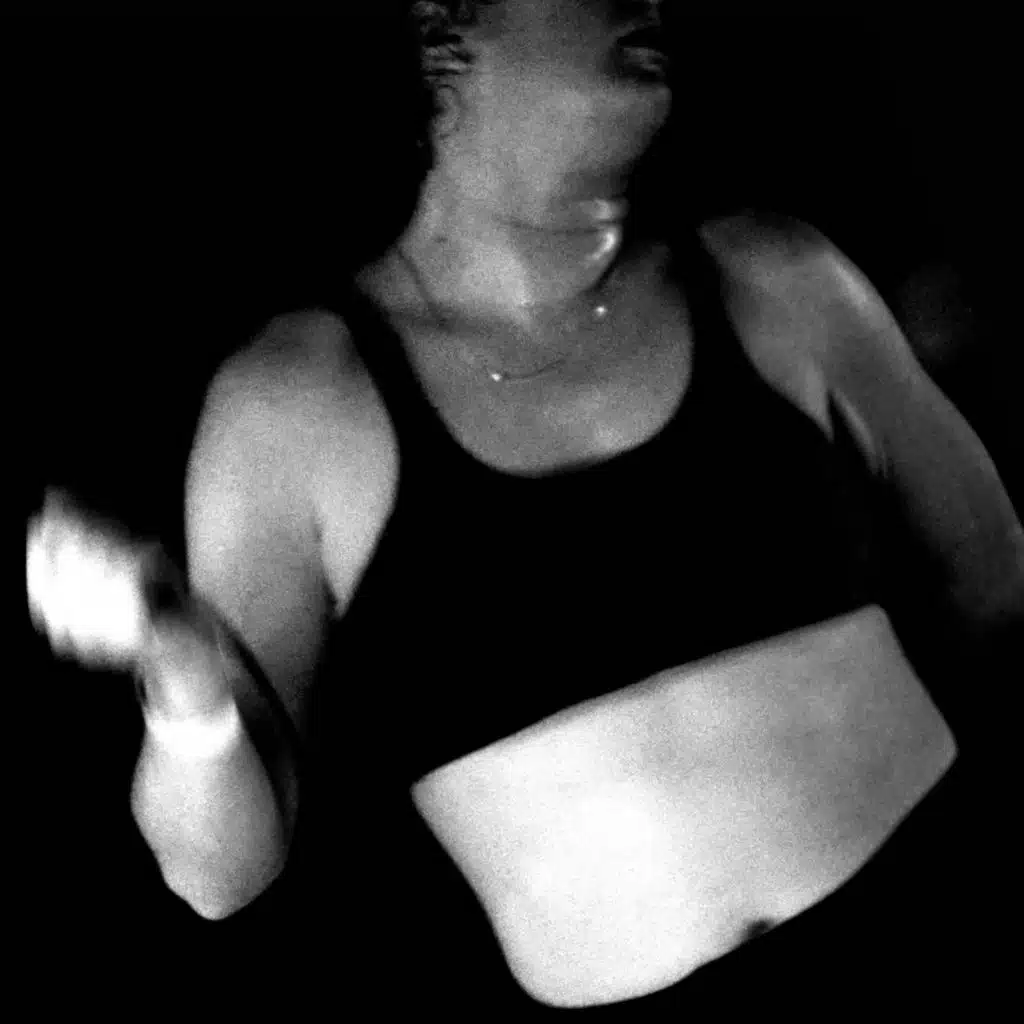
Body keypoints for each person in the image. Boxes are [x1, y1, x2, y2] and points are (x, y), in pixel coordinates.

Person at [27, 1, 1023, 1015]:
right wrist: (181, 667)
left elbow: (987, 568)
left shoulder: (774, 275)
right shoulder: (296, 400)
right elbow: (216, 876)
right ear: (441, 30)